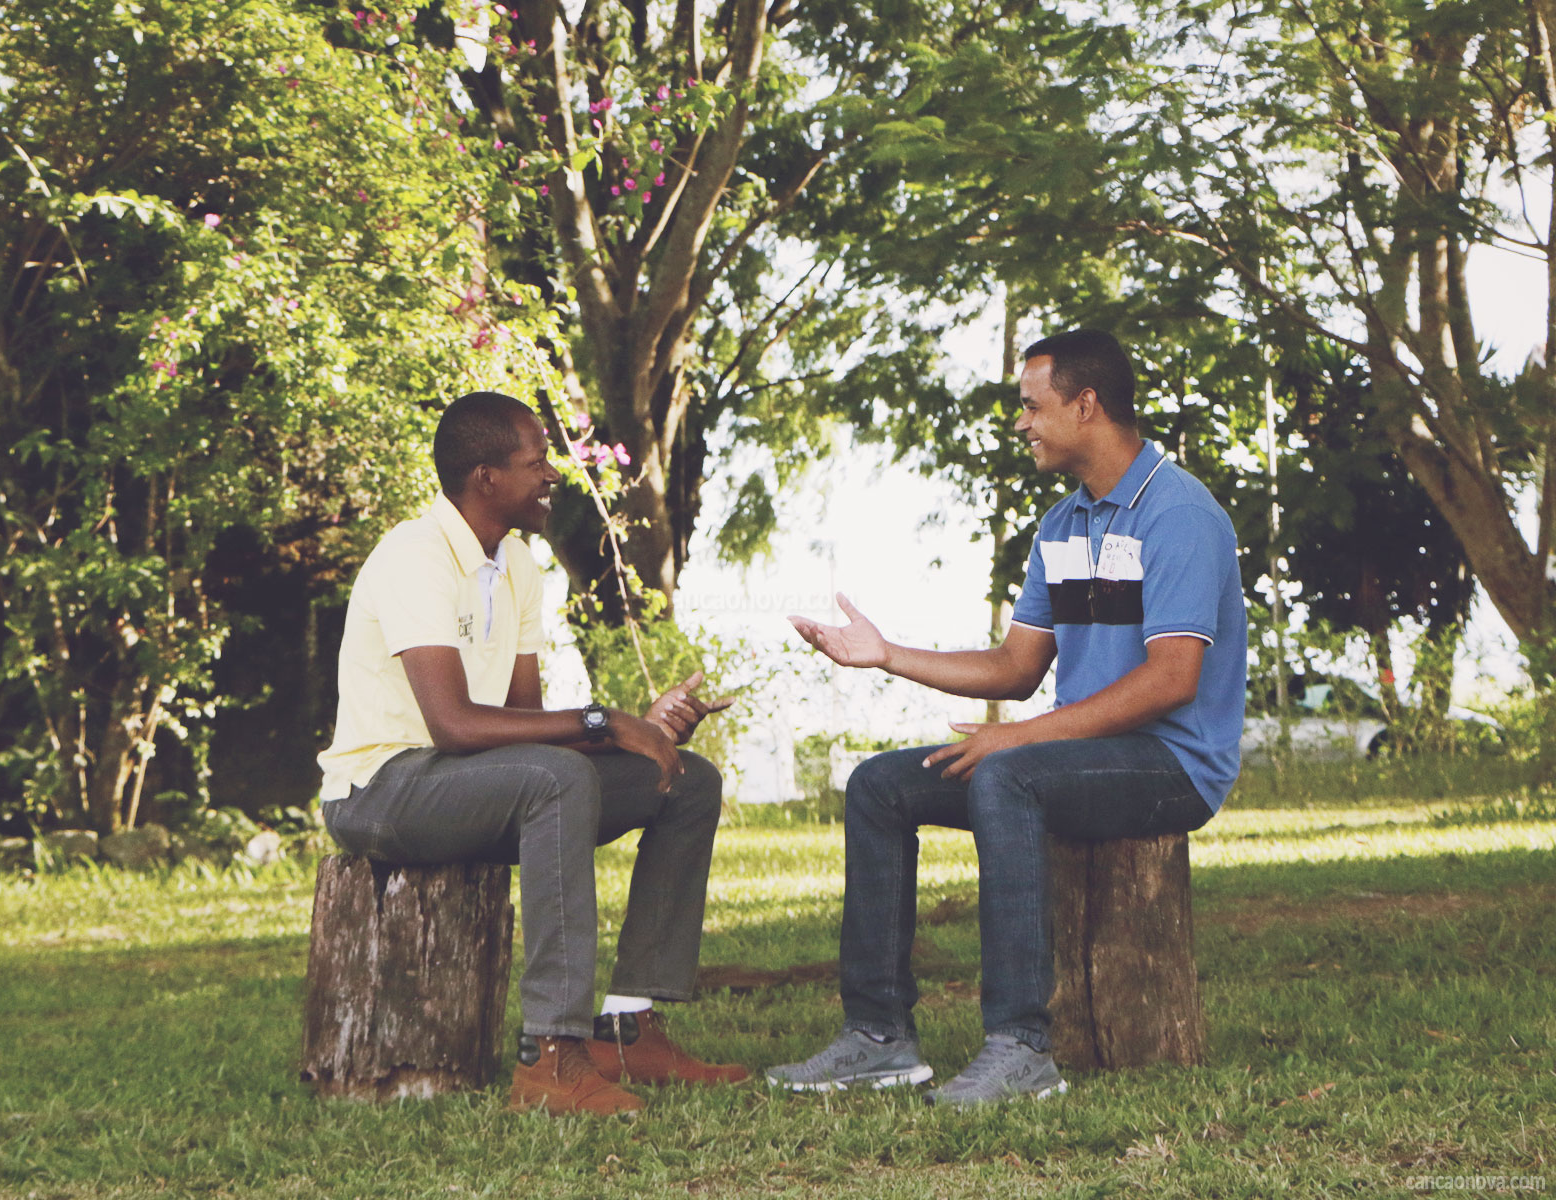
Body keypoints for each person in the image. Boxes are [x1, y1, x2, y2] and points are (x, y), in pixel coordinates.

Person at [767, 329, 1246, 1107]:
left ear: (1085, 405)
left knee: (1009, 776)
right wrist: (884, 653)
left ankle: (1021, 1047)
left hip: (1173, 765)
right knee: (881, 785)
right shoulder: (1063, 525)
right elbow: (1016, 670)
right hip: (1073, 757)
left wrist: (1016, 742)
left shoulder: (1179, 514)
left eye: (1032, 405)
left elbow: (1171, 681)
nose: (1021, 422)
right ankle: (878, 1037)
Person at [317, 391, 747, 1117]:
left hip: (470, 781)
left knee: (684, 781)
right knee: (557, 778)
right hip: (381, 790)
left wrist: (636, 731)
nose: (551, 476)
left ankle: (626, 1024)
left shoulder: (515, 561)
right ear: (485, 478)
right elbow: (452, 725)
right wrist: (602, 720)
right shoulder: (414, 556)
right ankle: (550, 1055)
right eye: (534, 462)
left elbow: (519, 720)